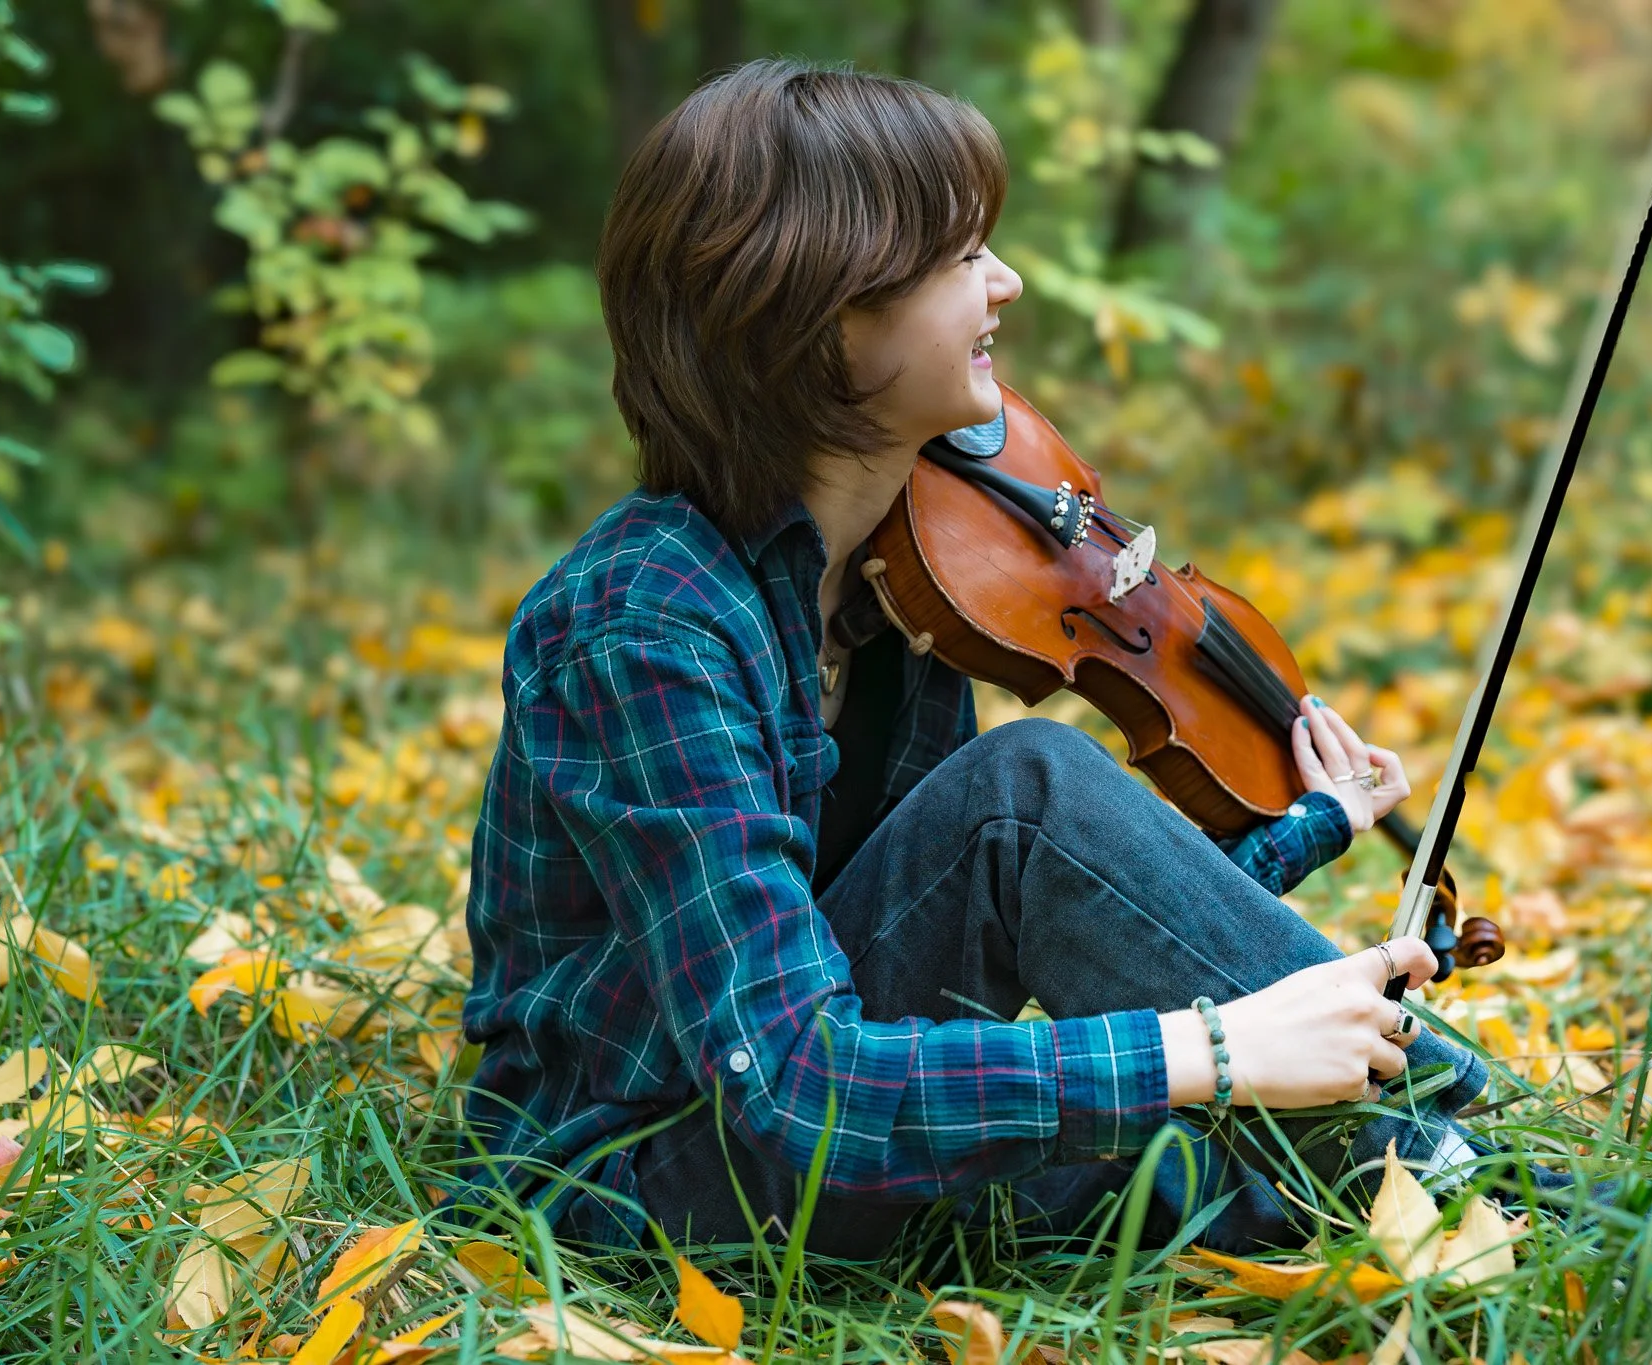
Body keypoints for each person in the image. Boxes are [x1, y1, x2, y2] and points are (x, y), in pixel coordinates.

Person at [452, 57, 1487, 1259]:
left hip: (818, 1130)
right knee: (1025, 793)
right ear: (820, 314)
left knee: (1238, 1178)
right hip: (639, 1174)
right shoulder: (646, 625)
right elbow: (794, 1082)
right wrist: (1211, 1054)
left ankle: (1494, 1178)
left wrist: (1314, 822)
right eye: (959, 260)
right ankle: (1507, 1169)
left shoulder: (911, 571)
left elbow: (1071, 912)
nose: (1005, 283)